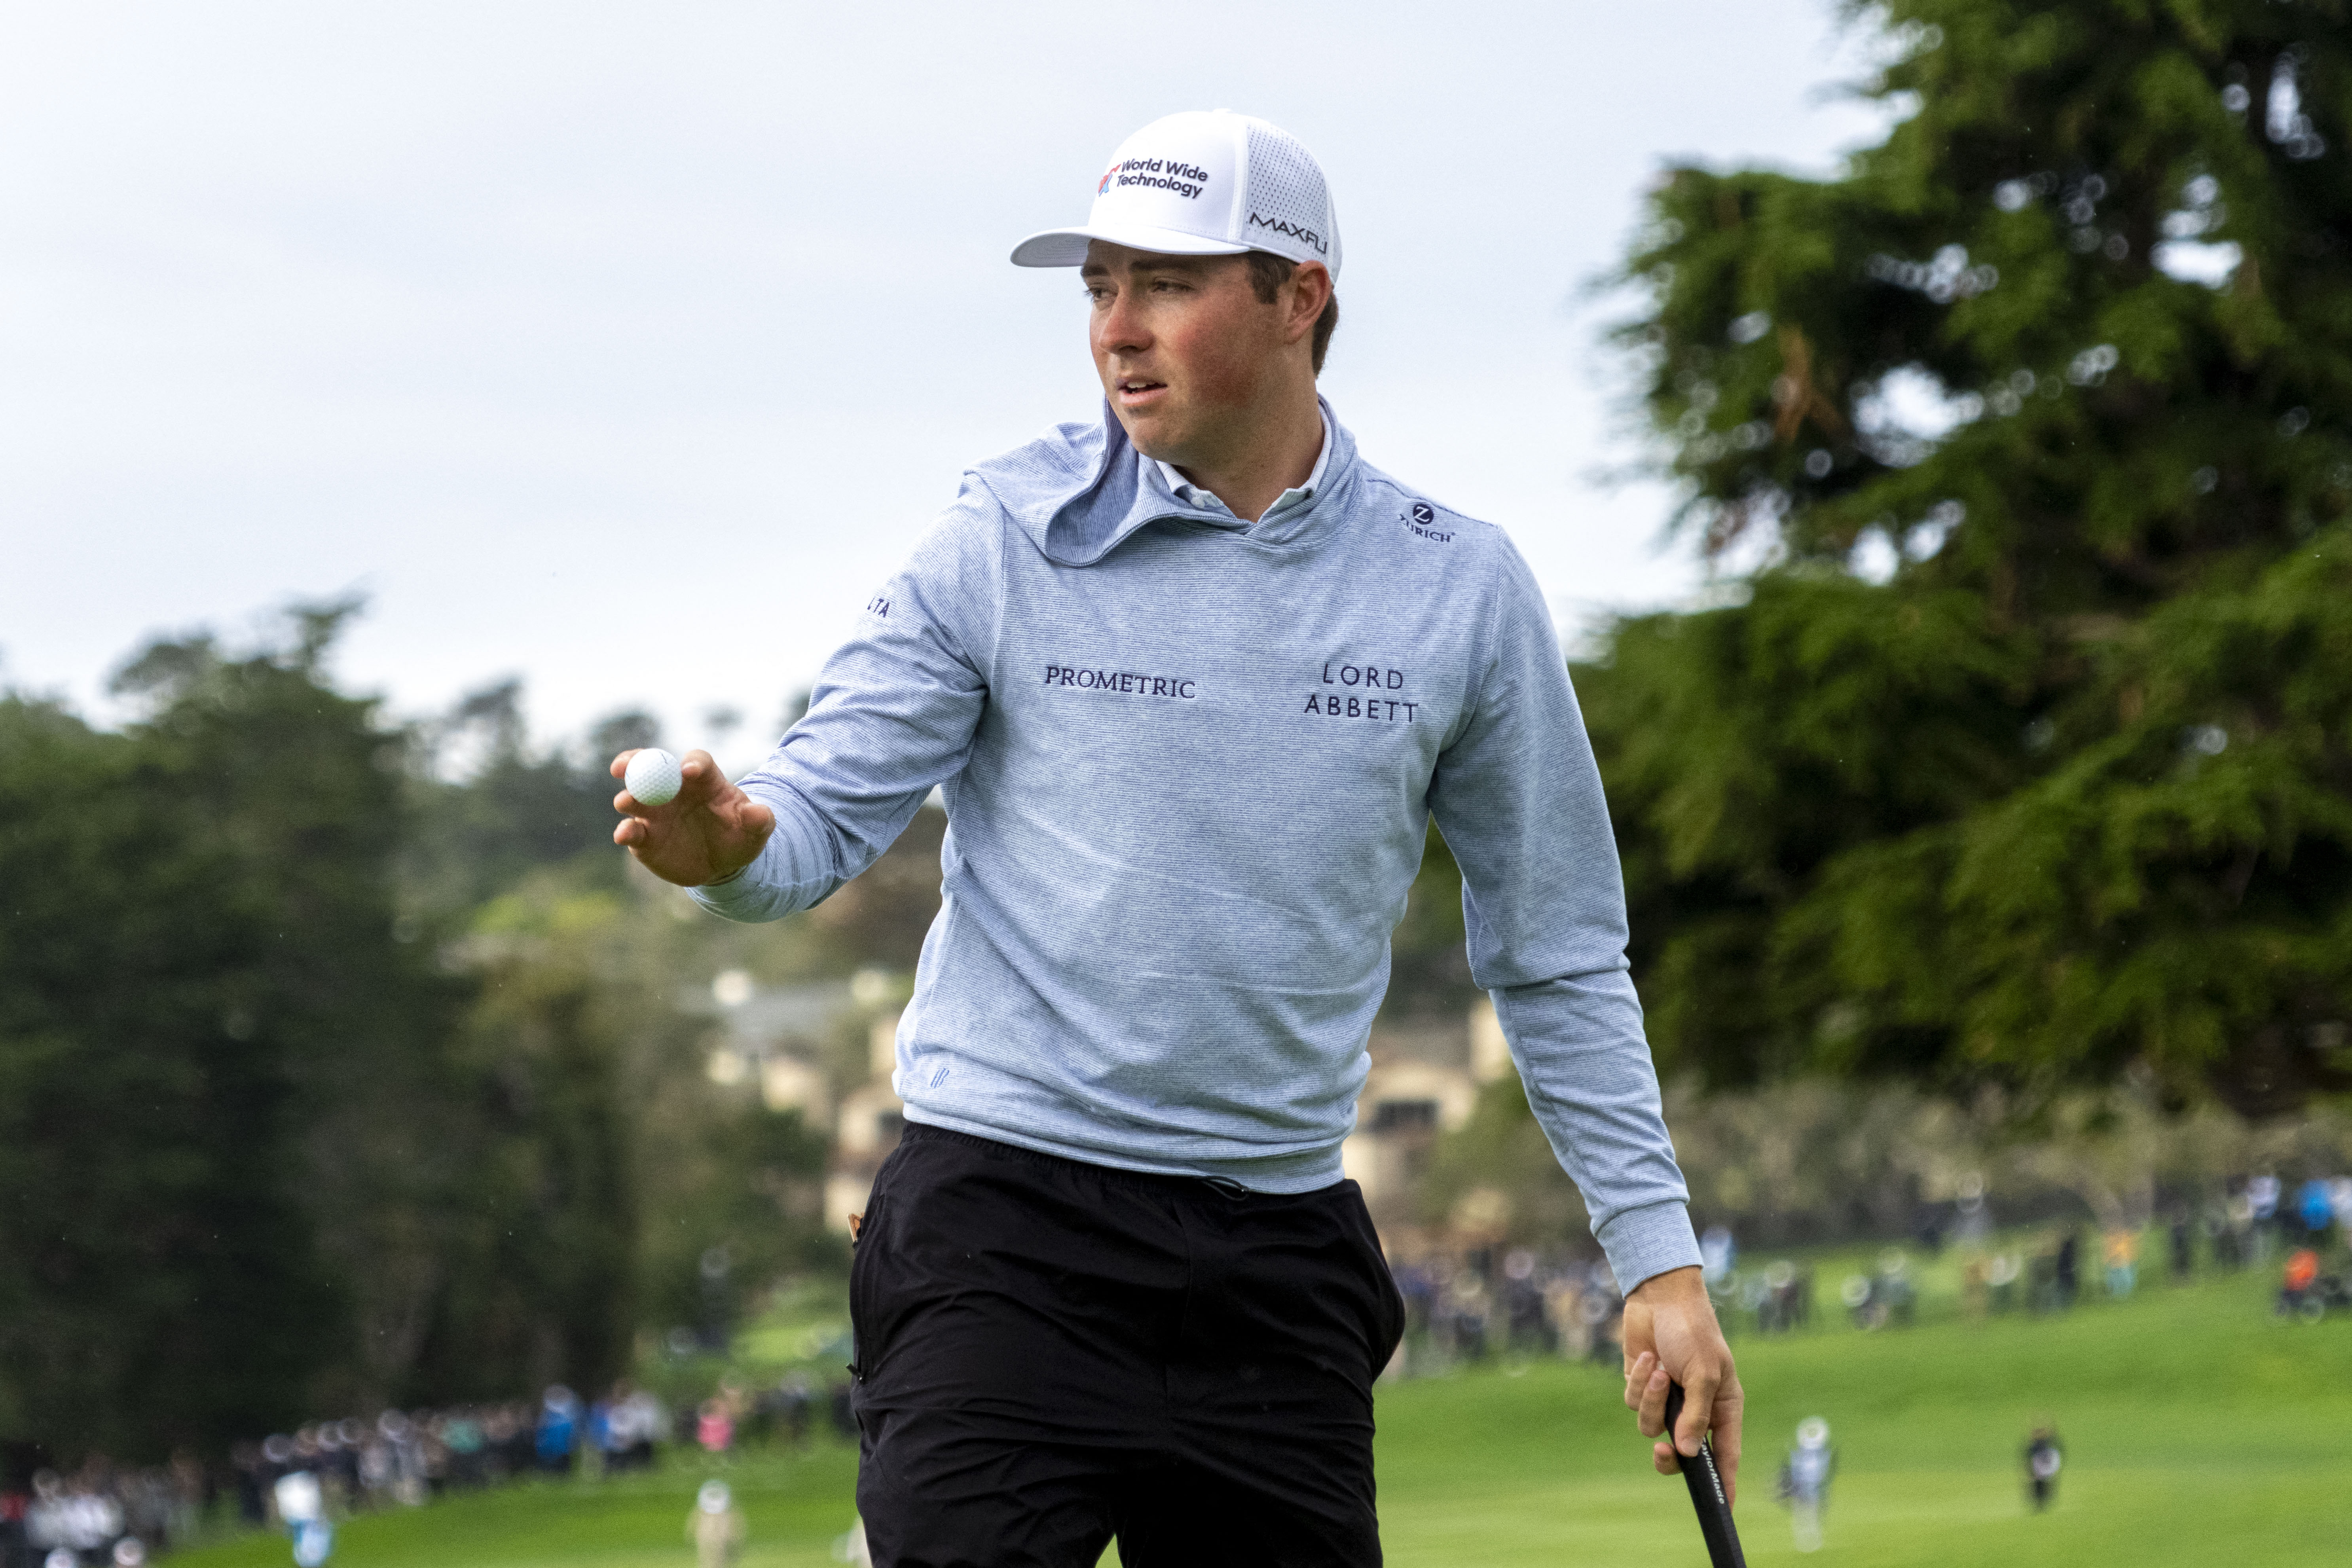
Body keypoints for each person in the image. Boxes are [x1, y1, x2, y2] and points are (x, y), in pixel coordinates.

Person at [609, 108, 1738, 1566]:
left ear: (1297, 300)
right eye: (1096, 287)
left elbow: (1557, 950)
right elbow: (811, 815)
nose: (1113, 330)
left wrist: (1656, 1257)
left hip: (1272, 1267)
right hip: (1000, 1233)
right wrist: (729, 857)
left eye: (1164, 285)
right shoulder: (1003, 533)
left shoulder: (1455, 589)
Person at [1779, 1418, 1834, 1553]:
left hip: (1809, 1488)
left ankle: (1812, 1540)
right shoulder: (1807, 1457)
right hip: (1804, 1488)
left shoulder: (1810, 1457)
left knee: (1810, 1515)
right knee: (1805, 1515)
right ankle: (1805, 1540)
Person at [686, 1481, 745, 1568]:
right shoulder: (707, 1507)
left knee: (718, 1556)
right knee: (709, 1558)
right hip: (710, 1532)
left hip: (717, 1533)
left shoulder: (723, 1510)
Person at [2023, 1424, 2063, 1512]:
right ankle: (2040, 1504)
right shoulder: (2037, 1445)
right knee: (2038, 1487)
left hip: (2042, 1468)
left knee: (2043, 1486)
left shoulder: (2042, 1444)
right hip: (2038, 1469)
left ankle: (2042, 1503)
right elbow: (2029, 1457)